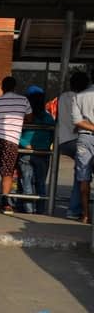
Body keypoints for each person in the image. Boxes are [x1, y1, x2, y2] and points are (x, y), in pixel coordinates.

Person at [0, 76, 32, 213]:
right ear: (15, 87)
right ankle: (6, 202)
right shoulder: (23, 100)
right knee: (7, 171)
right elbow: (29, 117)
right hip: (11, 139)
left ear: (2, 88)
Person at [16, 86, 55, 214]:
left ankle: (28, 210)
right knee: (41, 182)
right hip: (43, 153)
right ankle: (41, 210)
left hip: (25, 152)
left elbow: (16, 133)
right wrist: (44, 144)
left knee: (26, 182)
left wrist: (25, 144)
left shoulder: (25, 116)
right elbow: (53, 136)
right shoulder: (48, 118)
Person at [57, 72, 90, 220]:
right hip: (79, 139)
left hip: (64, 141)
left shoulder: (63, 97)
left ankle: (77, 209)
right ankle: (74, 209)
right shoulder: (79, 98)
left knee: (82, 175)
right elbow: (78, 124)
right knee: (82, 176)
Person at [70, 75, 94, 224]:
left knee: (83, 177)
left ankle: (85, 214)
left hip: (84, 138)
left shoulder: (79, 97)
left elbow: (77, 121)